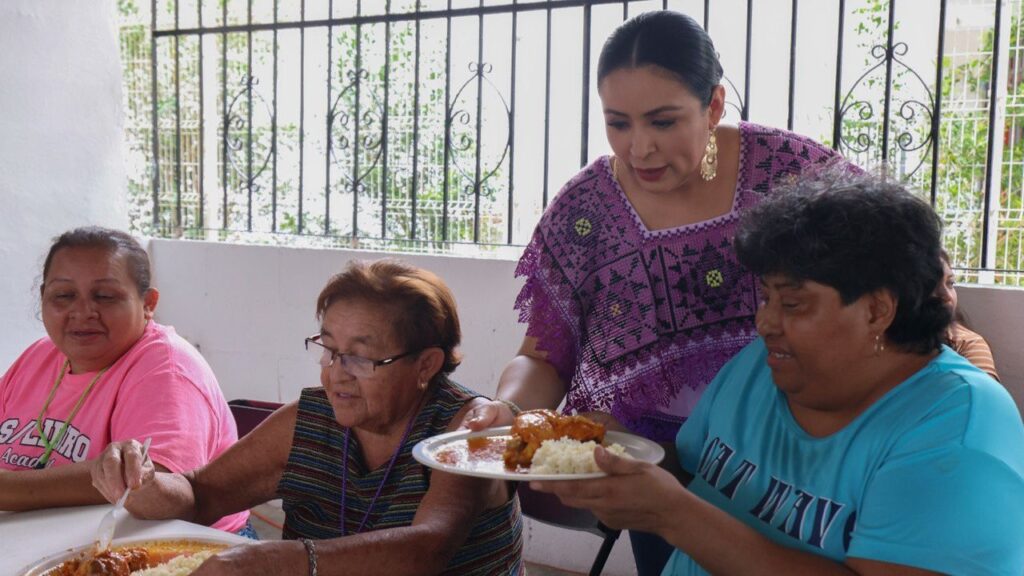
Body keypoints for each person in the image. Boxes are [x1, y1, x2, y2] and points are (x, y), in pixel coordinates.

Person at [465, 10, 856, 574]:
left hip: (792, 463)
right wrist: (506, 409)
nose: (639, 147)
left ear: (714, 105)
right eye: (618, 123)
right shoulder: (586, 209)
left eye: (664, 121)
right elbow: (544, 356)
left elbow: (898, 257)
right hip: (651, 469)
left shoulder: (789, 170)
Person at [531, 170, 1024, 575]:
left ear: (877, 310)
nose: (765, 322)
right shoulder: (760, 369)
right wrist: (616, 454)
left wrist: (673, 516)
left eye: (792, 303)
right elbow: (696, 474)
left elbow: (686, 508)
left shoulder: (956, 426)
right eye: (765, 298)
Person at [91, 259, 523, 575]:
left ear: (426, 365)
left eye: (359, 356)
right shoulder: (311, 420)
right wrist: (145, 481)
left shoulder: (468, 431)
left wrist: (283, 561)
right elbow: (200, 496)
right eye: (330, 349)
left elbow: (428, 549)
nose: (336, 372)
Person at [0, 227, 247, 533]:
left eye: (105, 296)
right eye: (64, 295)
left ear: (148, 304)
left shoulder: (167, 367)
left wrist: (7, 490)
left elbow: (149, 485)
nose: (82, 311)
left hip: (176, 549)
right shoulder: (39, 356)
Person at [935, 249, 1000, 381]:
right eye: (931, 286)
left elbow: (982, 398)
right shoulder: (885, 344)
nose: (947, 295)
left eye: (950, 283)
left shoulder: (967, 345)